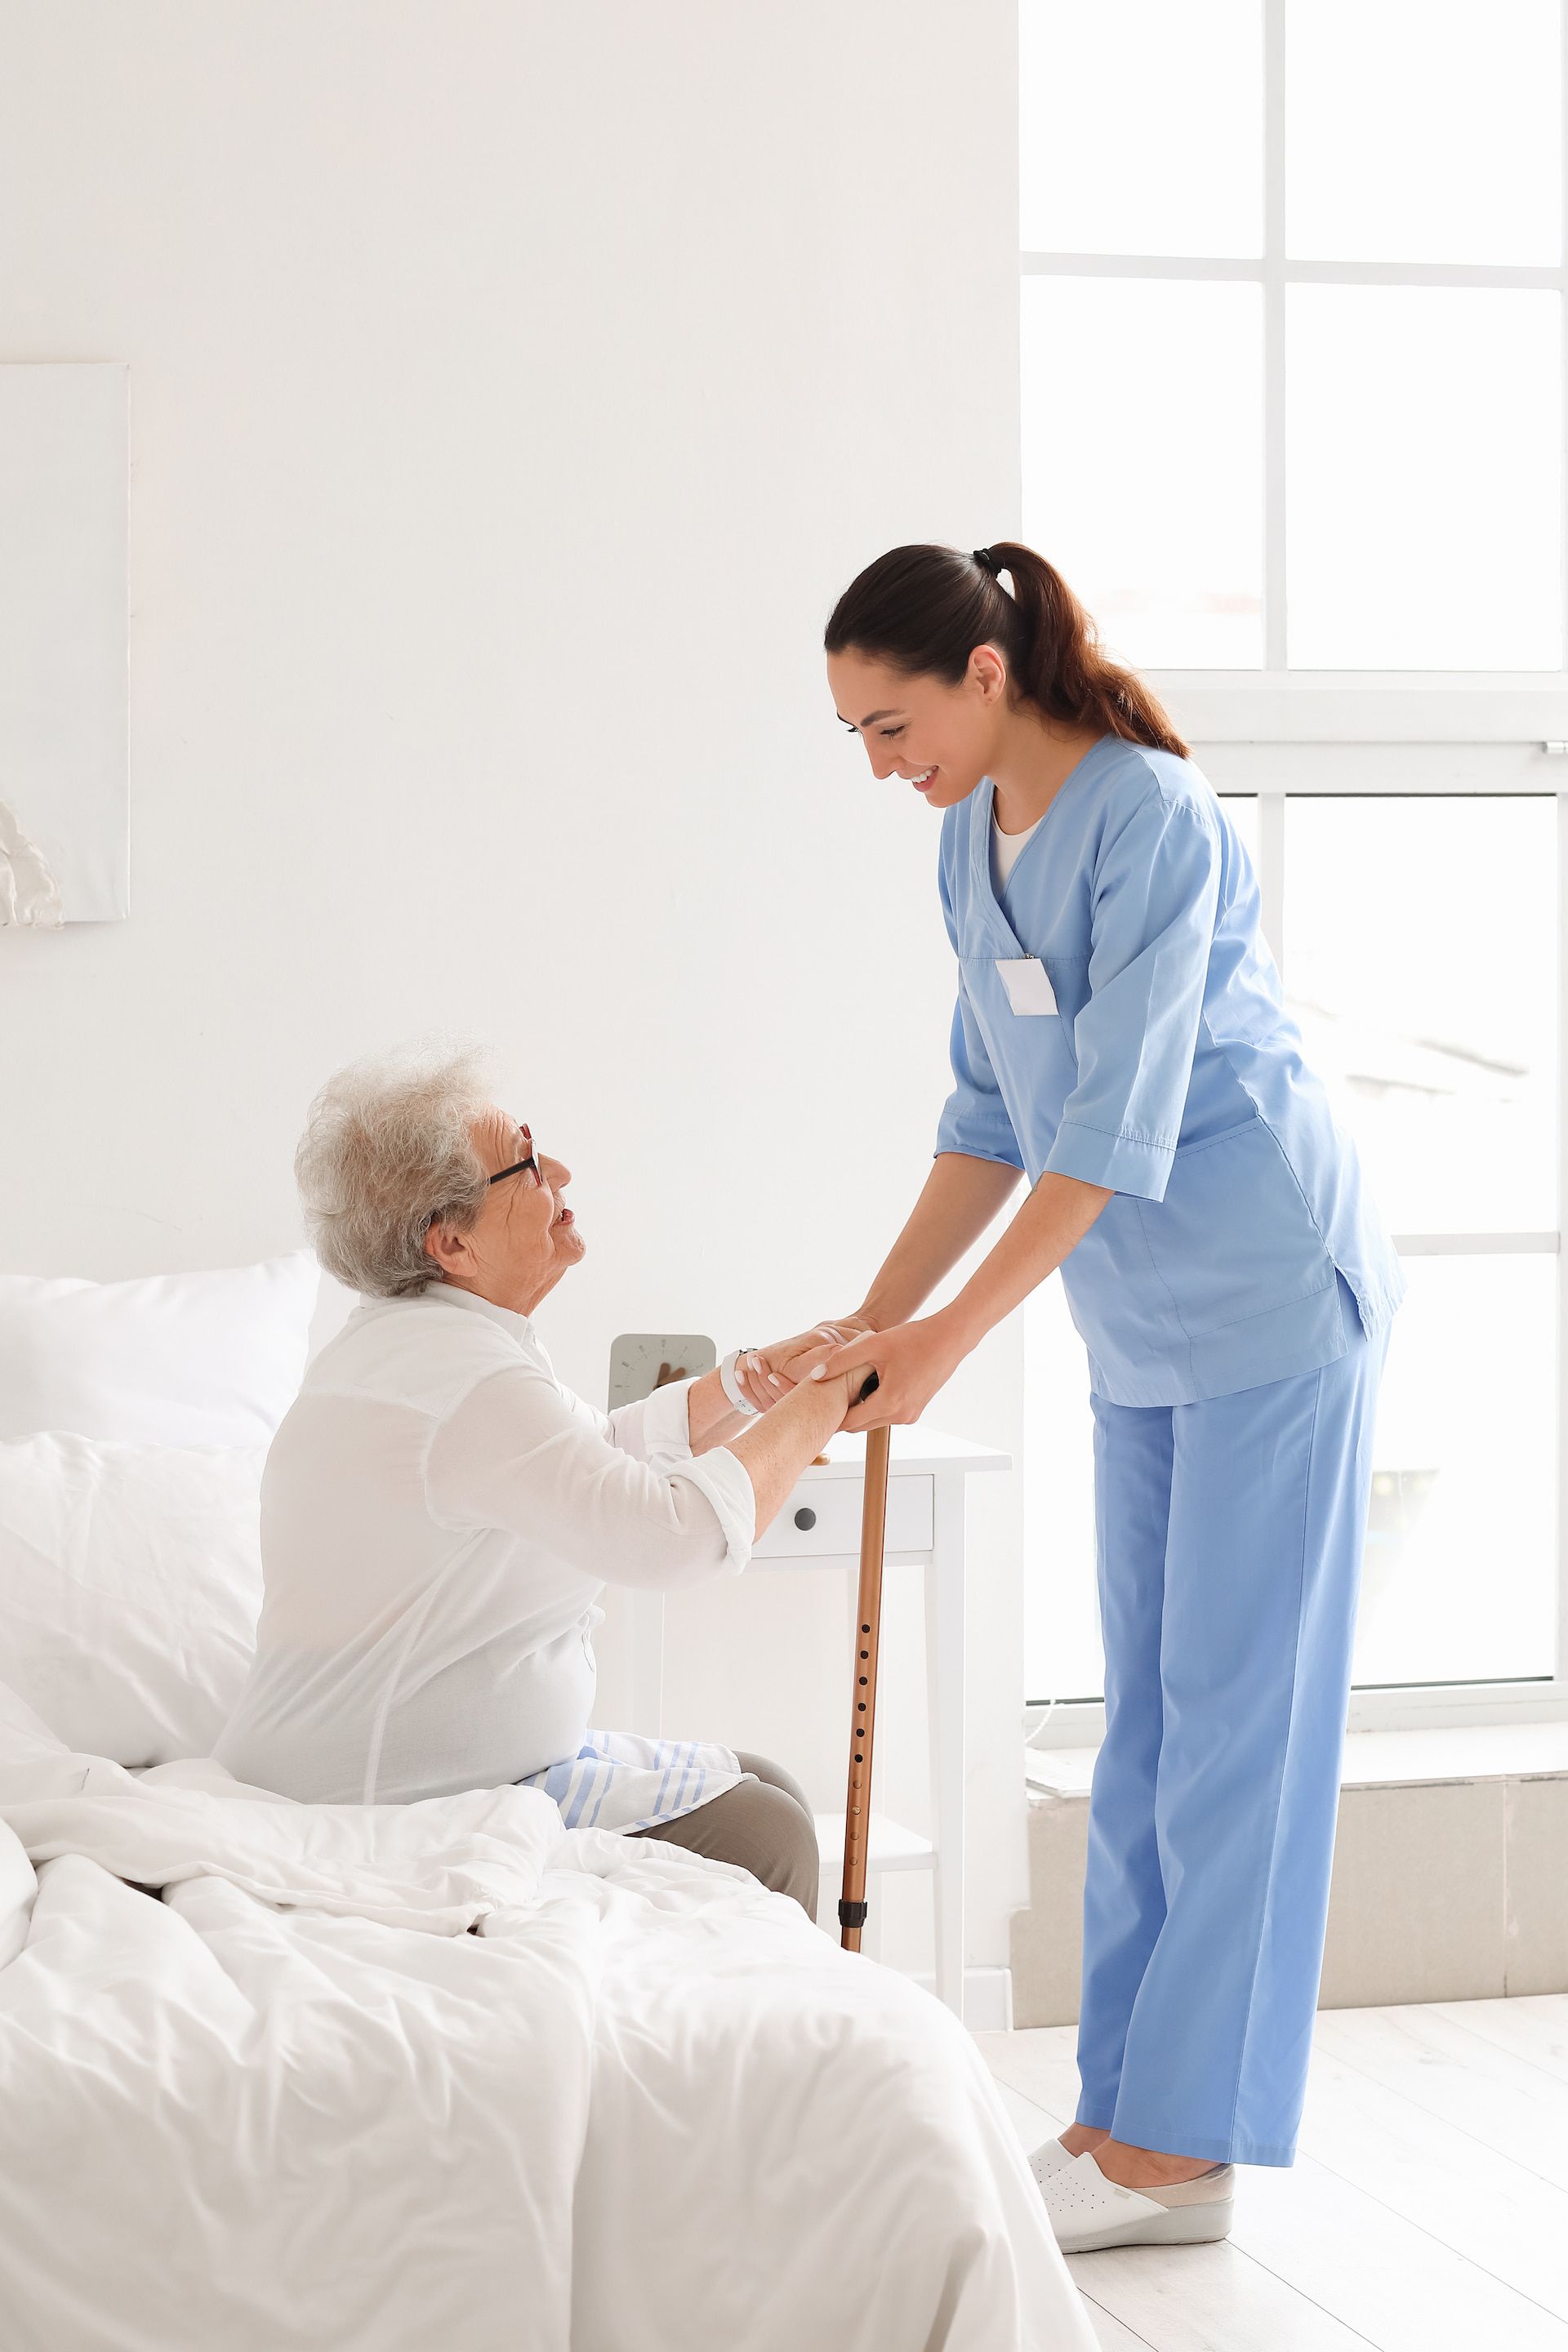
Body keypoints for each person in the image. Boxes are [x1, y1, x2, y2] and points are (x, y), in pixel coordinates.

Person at [736, 541, 1404, 2251]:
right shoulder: (973, 845)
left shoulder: (1155, 820)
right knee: (1150, 1729)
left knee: (1236, 1728)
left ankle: (1184, 2150)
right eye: (856, 741)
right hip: (1140, 1329)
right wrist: (863, 1323)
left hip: (1266, 1293)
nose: (883, 769)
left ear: (982, 675)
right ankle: (1124, 2118)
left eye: (891, 727)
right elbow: (987, 1113)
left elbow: (1115, 1125)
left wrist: (946, 1350)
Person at [214, 1045, 875, 1918]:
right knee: (769, 1831)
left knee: (768, 1786)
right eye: (525, 1162)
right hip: (391, 1808)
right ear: (450, 1243)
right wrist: (828, 1400)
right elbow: (671, 1537)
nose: (559, 1171)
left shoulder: (421, 1345)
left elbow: (584, 1454)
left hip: (397, 1771)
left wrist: (751, 1385)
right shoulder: (464, 1382)